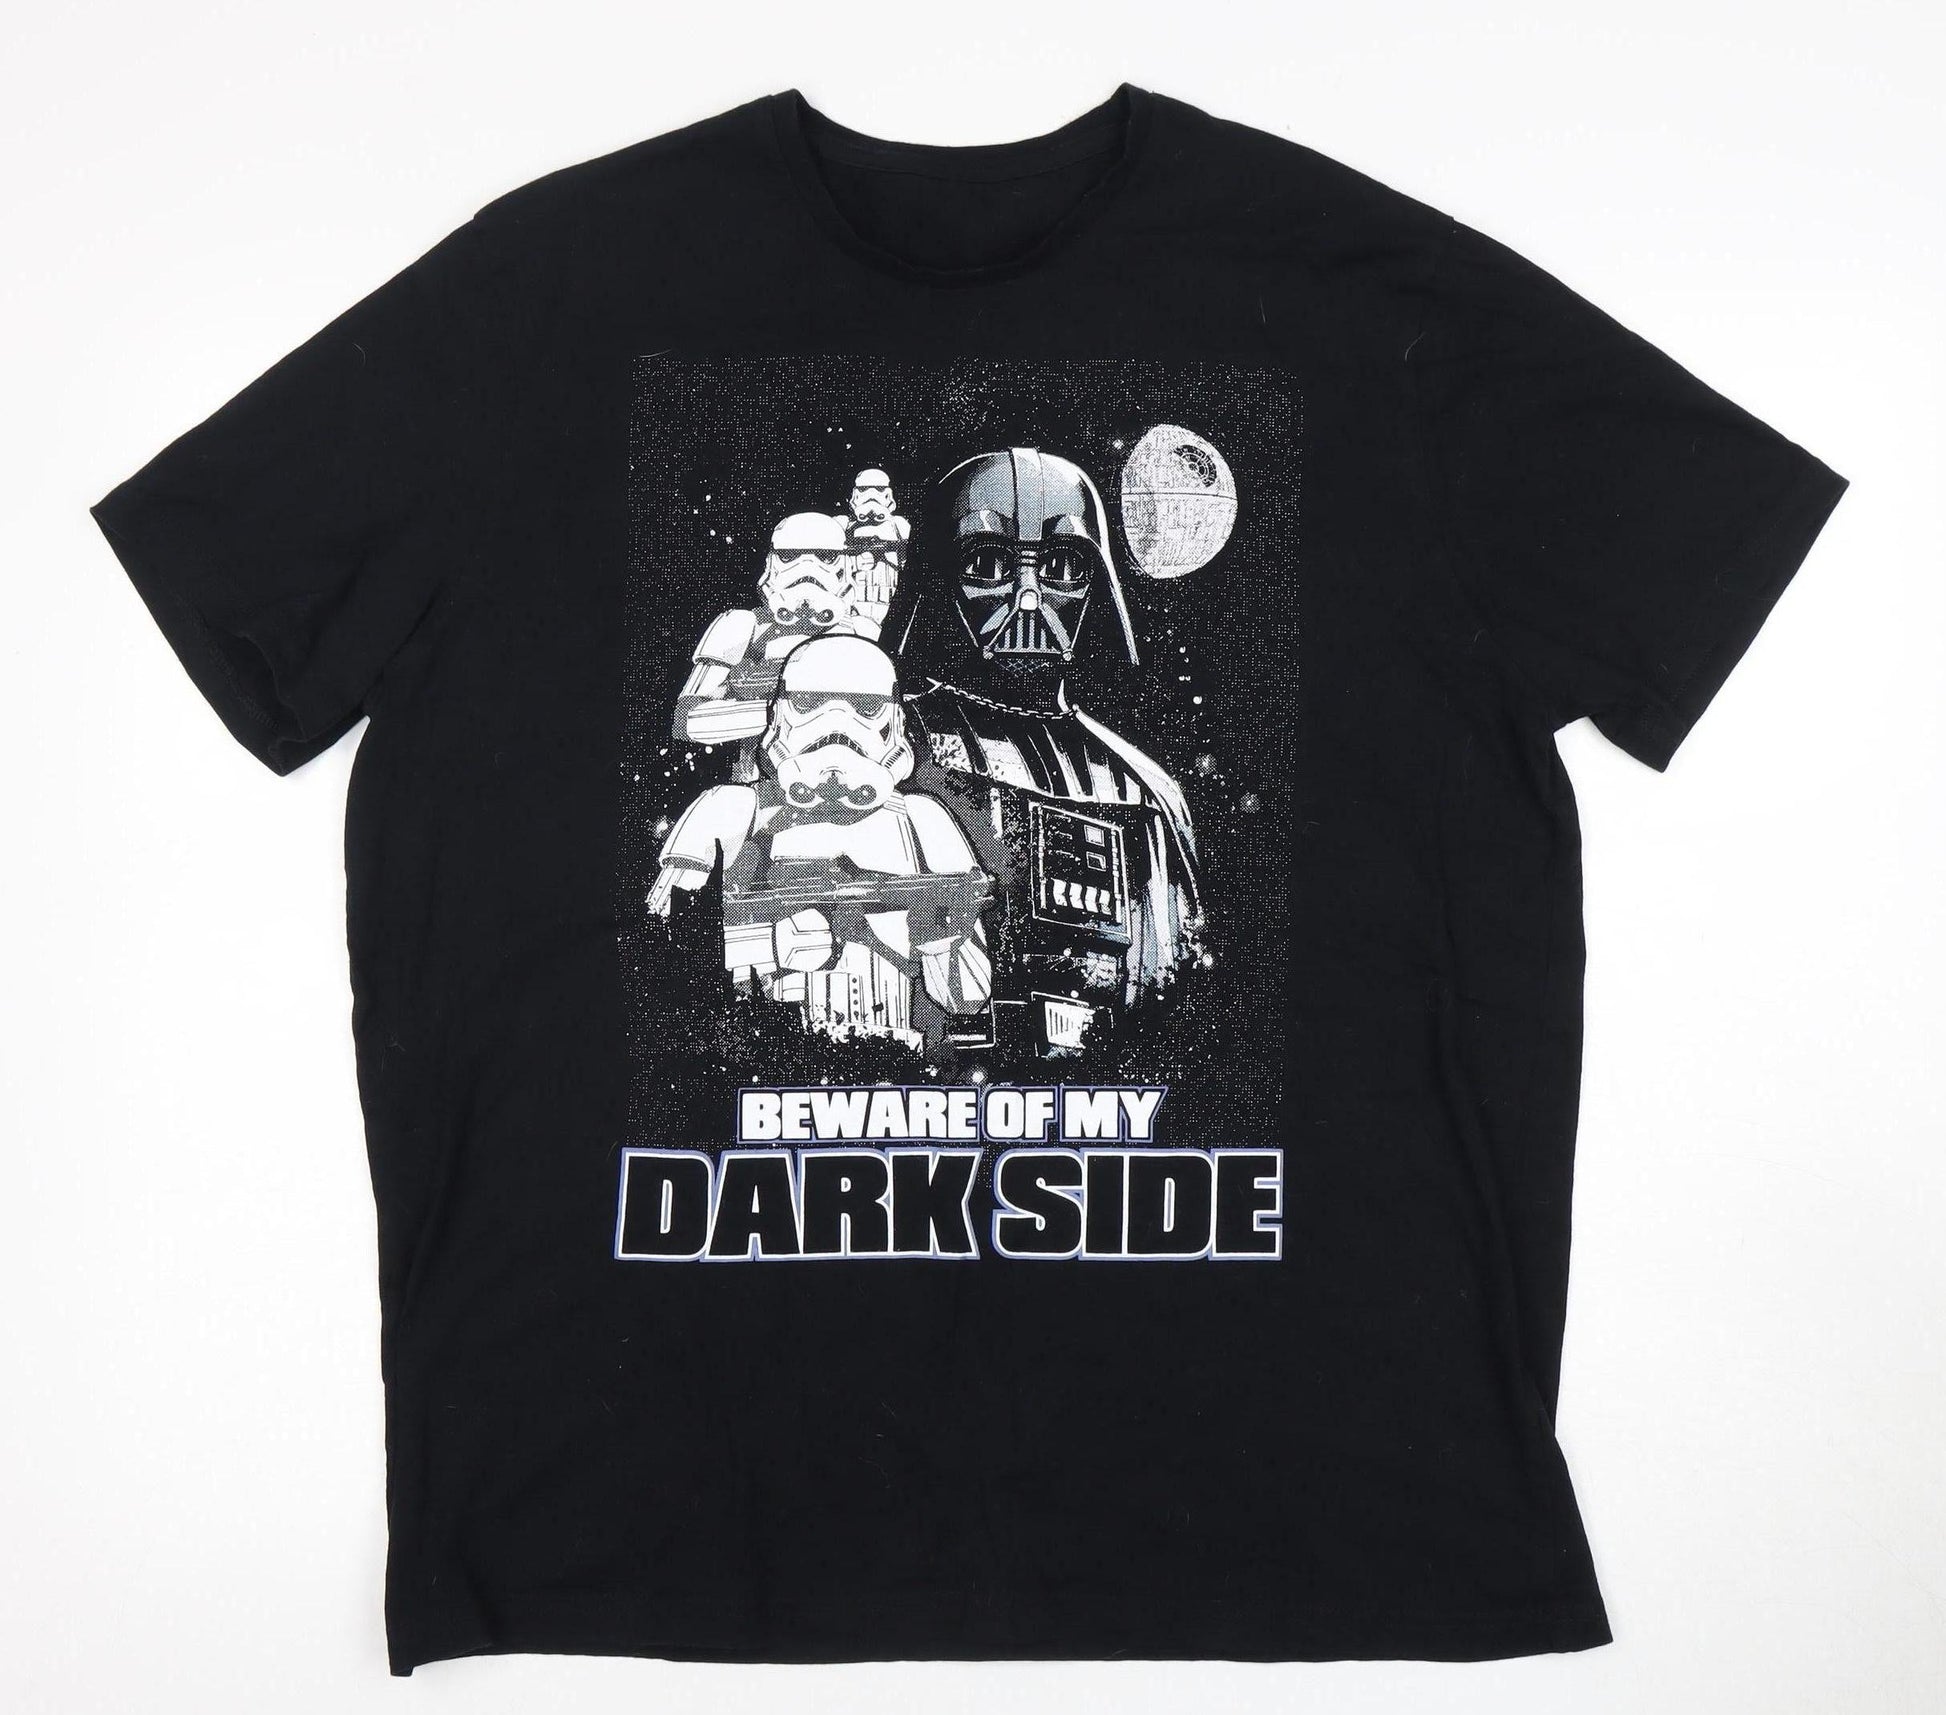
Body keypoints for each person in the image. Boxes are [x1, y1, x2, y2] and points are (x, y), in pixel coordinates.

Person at [649, 634, 993, 1052]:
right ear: (779, 713)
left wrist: (942, 938)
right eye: (809, 703)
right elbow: (656, 951)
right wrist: (769, 946)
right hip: (759, 1051)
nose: (837, 726)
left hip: (890, 1059)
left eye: (866, 707)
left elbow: (969, 1000)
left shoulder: (924, 819)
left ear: (895, 721)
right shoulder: (731, 809)